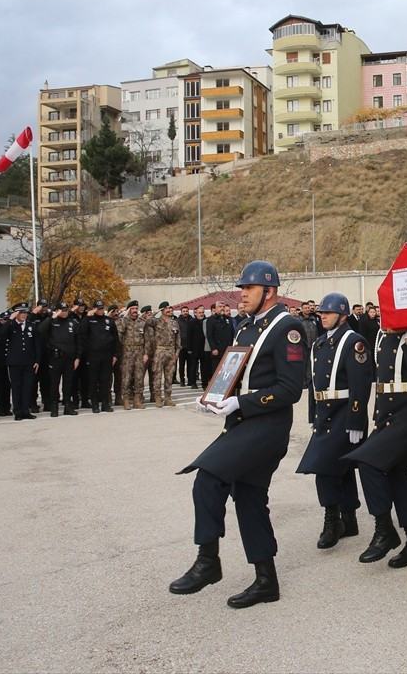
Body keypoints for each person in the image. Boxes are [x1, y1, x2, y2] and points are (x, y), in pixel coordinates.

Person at [171, 260, 306, 609]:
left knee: (207, 478)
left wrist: (240, 403)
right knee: (249, 498)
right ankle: (266, 581)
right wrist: (214, 398)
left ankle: (208, 561)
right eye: (242, 288)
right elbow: (233, 374)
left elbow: (290, 389)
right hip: (243, 423)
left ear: (269, 291)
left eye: (249, 288)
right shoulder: (245, 327)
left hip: (268, 426)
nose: (242, 294)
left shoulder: (288, 328)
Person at [343, 324, 407, 568]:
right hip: (387, 415)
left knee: (367, 463)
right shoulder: (383, 334)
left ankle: (384, 529)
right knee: (397, 472)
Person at [295, 293, 372, 550]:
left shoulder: (354, 341)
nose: (323, 316)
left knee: (323, 466)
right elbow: (314, 383)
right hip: (324, 414)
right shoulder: (319, 343)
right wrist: (313, 415)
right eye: (321, 313)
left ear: (343, 315)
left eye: (328, 313)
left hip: (344, 413)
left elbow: (360, 384)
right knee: (341, 467)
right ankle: (349, 519)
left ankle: (332, 520)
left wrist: (356, 420)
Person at [37, 302, 83, 416]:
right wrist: (52, 317)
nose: (64, 312)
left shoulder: (73, 323)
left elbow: (79, 342)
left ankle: (68, 406)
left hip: (69, 358)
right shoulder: (52, 322)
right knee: (54, 383)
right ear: (57, 311)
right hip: (55, 357)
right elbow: (40, 330)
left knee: (68, 383)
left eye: (66, 310)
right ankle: (54, 406)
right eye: (62, 310)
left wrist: (78, 357)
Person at [2, 304, 41, 420]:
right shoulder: (11, 326)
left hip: (29, 362)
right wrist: (10, 320)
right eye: (21, 313)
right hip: (15, 362)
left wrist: (37, 360)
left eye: (25, 313)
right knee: (16, 387)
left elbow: (37, 344)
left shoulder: (31, 326)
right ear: (16, 314)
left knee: (27, 387)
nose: (24, 315)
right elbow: (1, 334)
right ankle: (17, 411)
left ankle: (26, 410)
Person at [82, 301, 118, 413]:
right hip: (93, 355)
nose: (100, 310)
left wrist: (115, 354)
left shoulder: (109, 321)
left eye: (102, 308)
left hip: (107, 355)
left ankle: (105, 404)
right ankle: (95, 404)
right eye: (98, 308)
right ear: (94, 309)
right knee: (93, 381)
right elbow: (82, 333)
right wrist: (87, 317)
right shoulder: (89, 321)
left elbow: (115, 339)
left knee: (105, 381)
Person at [116, 301, 152, 410]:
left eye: (136, 308)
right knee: (126, 377)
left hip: (139, 352)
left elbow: (147, 340)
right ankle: (126, 399)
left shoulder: (142, 322)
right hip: (127, 352)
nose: (135, 311)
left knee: (139, 377)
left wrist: (146, 354)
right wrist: (124, 317)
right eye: (132, 308)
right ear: (129, 310)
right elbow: (119, 332)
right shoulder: (123, 321)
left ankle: (137, 400)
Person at [151, 302, 181, 407]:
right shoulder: (156, 321)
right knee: (157, 376)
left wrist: (177, 352)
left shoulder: (174, 323)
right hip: (160, 351)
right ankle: (158, 398)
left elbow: (178, 338)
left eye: (169, 308)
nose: (169, 310)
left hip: (171, 352)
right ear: (162, 310)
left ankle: (168, 398)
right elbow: (147, 321)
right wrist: (155, 313)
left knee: (169, 377)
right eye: (166, 308)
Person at [203, 301, 234, 386]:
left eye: (223, 306)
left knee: (226, 370)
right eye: (220, 306)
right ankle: (216, 387)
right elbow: (209, 335)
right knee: (217, 371)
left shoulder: (229, 319)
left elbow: (232, 334)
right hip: (217, 349)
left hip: (227, 349)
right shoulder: (211, 320)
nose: (222, 308)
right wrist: (213, 348)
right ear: (216, 309)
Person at [0, 310, 12, 416]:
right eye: (5, 320)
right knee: (0, 386)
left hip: (9, 361)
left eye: (8, 319)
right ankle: (1, 408)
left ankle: (7, 407)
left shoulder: (11, 329)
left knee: (8, 386)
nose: (6, 321)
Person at [184, 306, 205, 388]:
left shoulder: (206, 322)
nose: (201, 314)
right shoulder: (191, 323)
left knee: (204, 366)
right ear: (195, 314)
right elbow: (188, 336)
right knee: (193, 366)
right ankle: (193, 382)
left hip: (204, 348)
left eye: (202, 312)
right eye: (199, 313)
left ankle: (204, 383)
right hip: (194, 348)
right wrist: (189, 348)